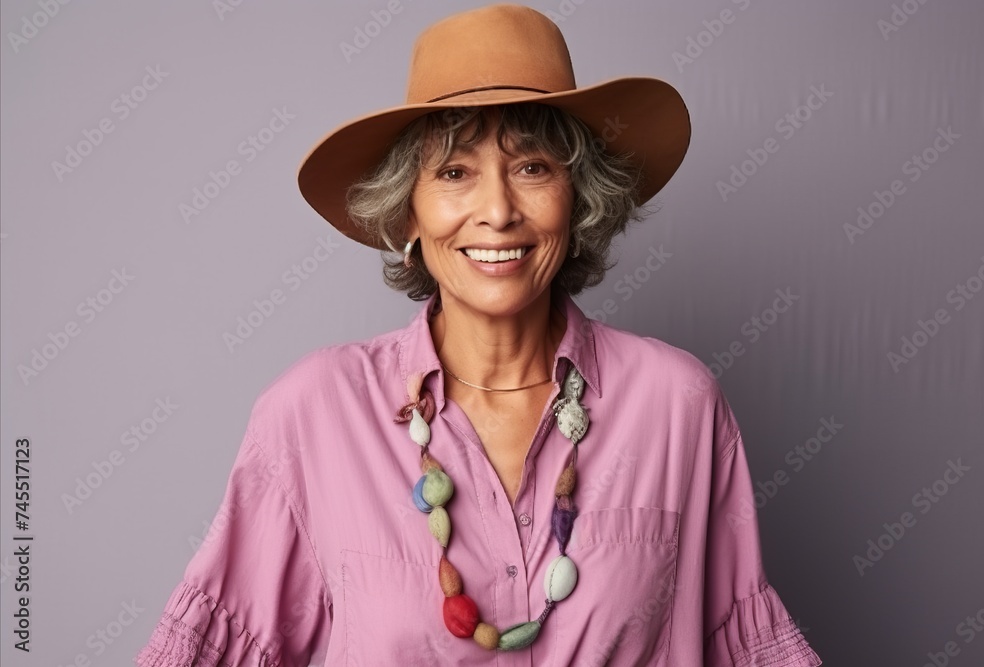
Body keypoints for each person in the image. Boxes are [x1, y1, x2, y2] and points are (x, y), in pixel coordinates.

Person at [135, 4, 823, 665]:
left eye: (531, 168)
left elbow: (741, 641)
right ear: (407, 212)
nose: (496, 210)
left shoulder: (679, 405)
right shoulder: (312, 412)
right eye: (455, 173)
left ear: (579, 196)